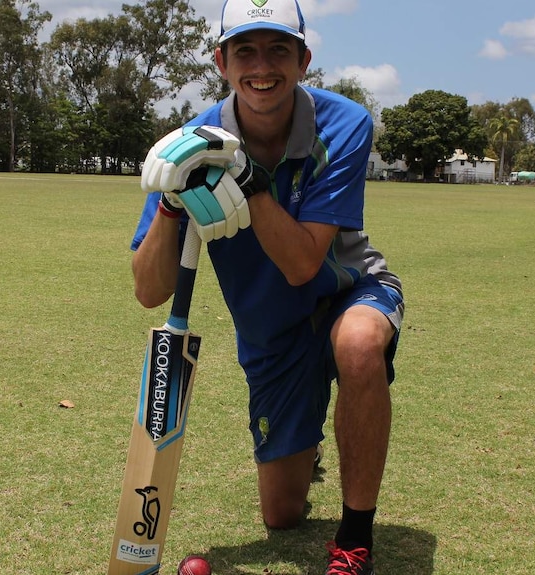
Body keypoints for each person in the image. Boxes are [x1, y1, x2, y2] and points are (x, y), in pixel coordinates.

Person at [130, 0, 403, 573]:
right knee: (281, 514)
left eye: (279, 49)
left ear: (303, 60)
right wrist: (173, 206)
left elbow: (304, 265)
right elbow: (149, 290)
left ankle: (354, 540)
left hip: (346, 291)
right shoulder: (188, 142)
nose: (262, 66)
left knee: (356, 346)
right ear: (221, 61)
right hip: (271, 328)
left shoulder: (344, 123)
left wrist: (249, 182)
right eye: (245, 50)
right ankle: (306, 450)